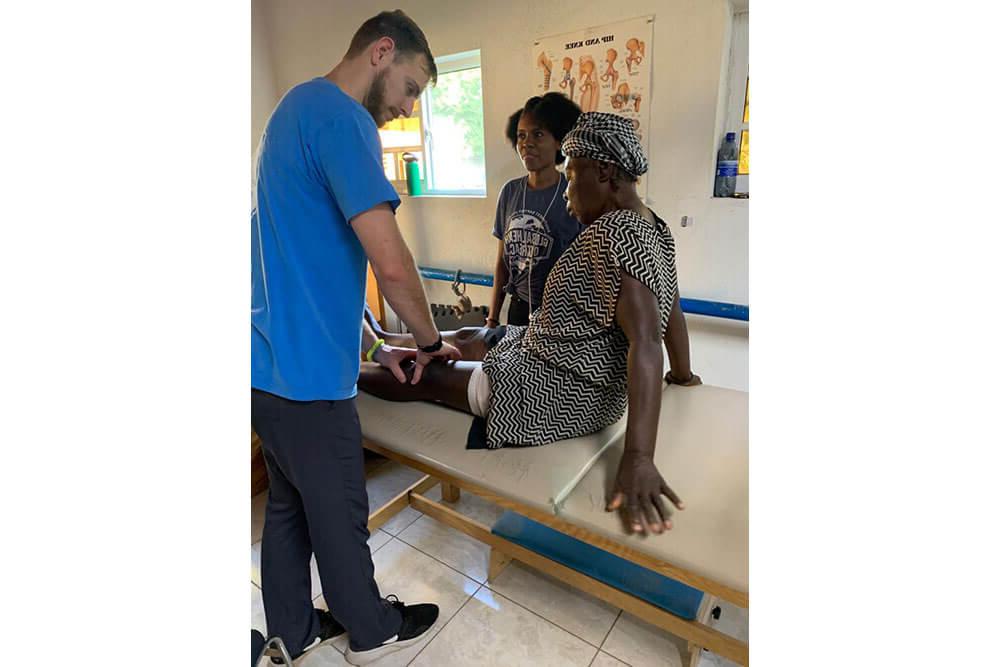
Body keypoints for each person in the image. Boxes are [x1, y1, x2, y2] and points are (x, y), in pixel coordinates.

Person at [359, 112, 702, 537]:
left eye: (573, 177)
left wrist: (639, 457)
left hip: (556, 388)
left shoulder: (617, 233)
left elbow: (648, 341)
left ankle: (344, 377)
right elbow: (674, 307)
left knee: (428, 374)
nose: (566, 193)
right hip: (546, 347)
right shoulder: (653, 226)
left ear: (606, 172)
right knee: (472, 336)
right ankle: (383, 340)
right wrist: (684, 376)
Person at [250, 10, 461, 666]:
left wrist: (375, 346)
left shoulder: (291, 110)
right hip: (311, 386)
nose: (405, 108)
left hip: (265, 370)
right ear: (382, 52)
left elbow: (310, 265)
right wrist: (429, 343)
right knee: (340, 512)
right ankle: (371, 632)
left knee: (287, 507)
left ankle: (291, 630)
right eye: (411, 89)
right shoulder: (345, 121)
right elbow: (391, 265)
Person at [487, 93, 583, 327]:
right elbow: (502, 263)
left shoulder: (574, 193)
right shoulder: (510, 192)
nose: (526, 143)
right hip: (518, 310)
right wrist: (492, 319)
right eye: (521, 135)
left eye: (538, 134)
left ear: (559, 141)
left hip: (562, 315)